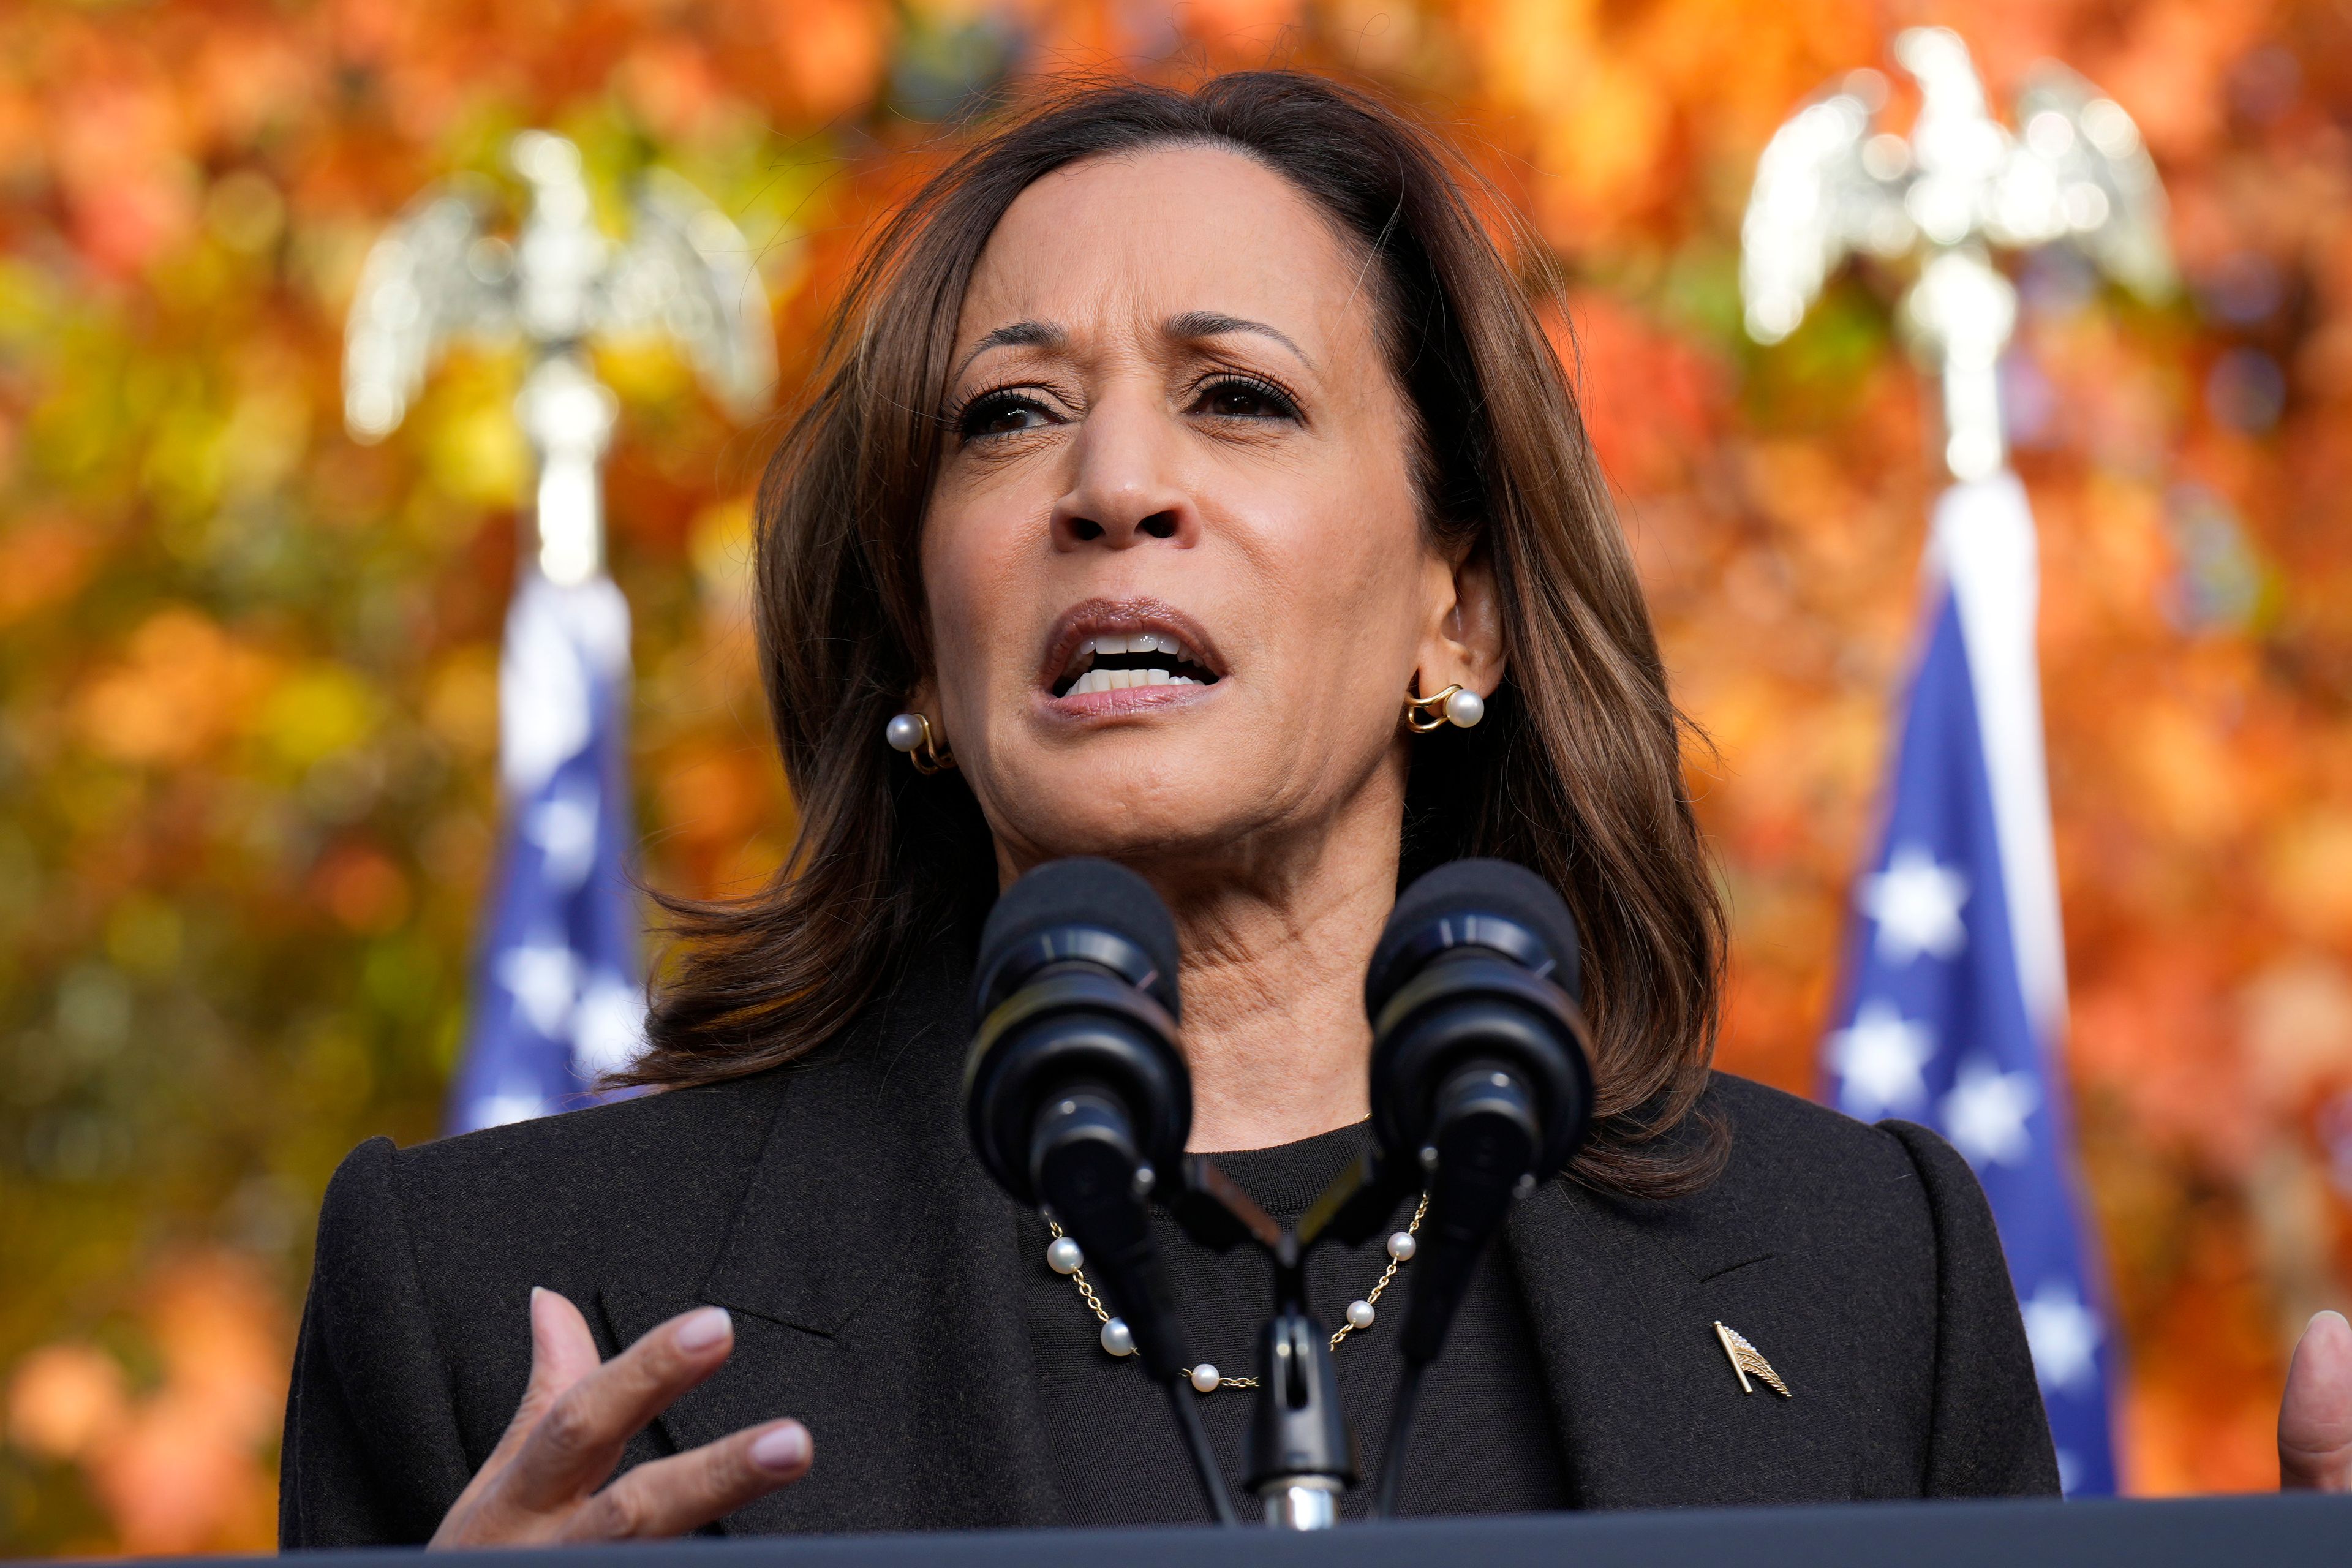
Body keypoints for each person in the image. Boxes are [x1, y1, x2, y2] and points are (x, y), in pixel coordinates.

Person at [278, 71, 2352, 1548]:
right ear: (920, 637)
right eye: (1007, 417)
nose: (1112, 482)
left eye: (1238, 395)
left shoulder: (1855, 1283)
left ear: (1460, 605)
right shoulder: (508, 1306)